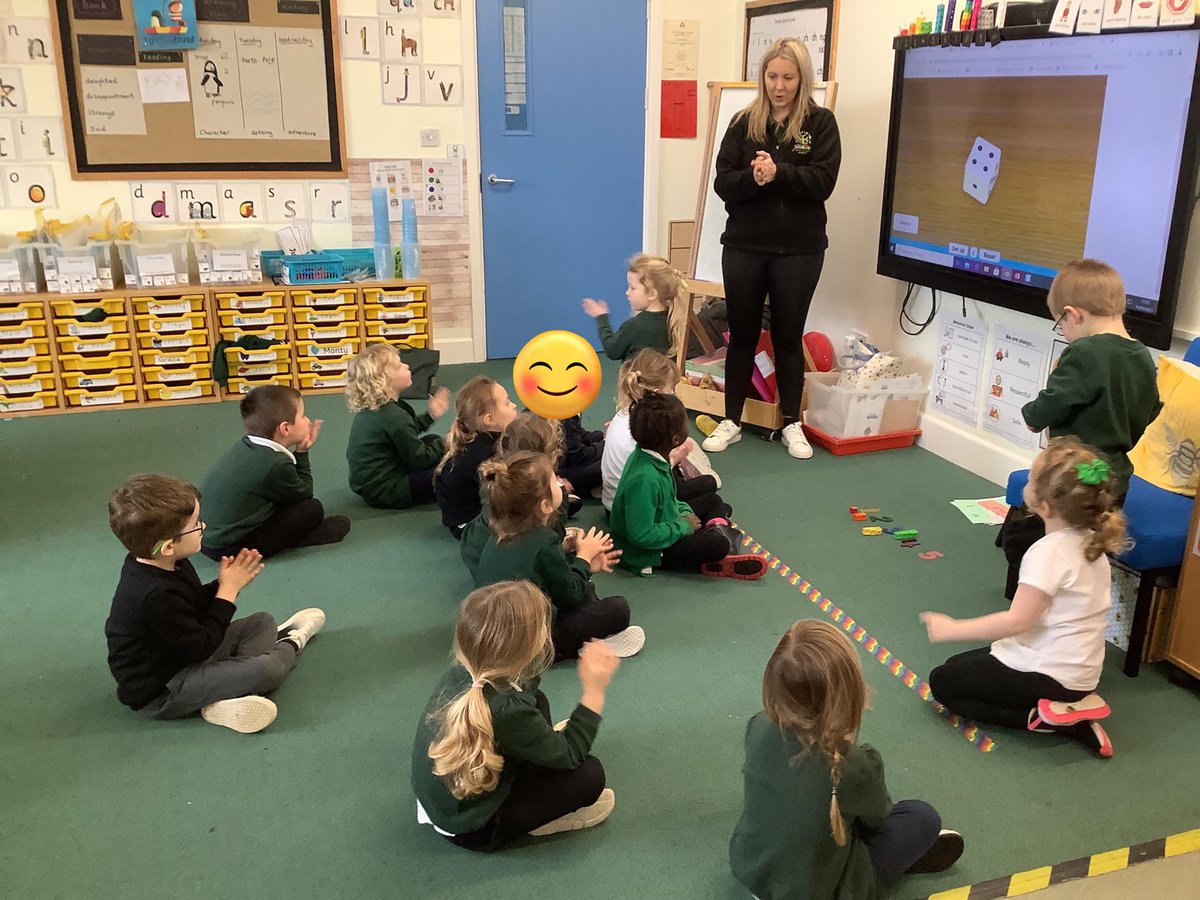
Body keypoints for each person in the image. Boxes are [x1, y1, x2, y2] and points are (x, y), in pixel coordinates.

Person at [923, 437, 1128, 758]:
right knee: (959, 665)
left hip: (1050, 676)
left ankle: (1054, 721)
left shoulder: (1047, 554)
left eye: (1032, 480)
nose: (1027, 483)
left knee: (942, 682)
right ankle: (1070, 705)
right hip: (1081, 674)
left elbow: (1016, 621)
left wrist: (952, 629)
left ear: (1044, 505)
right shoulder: (1093, 545)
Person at [730, 619, 963, 899]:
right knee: (921, 817)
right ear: (851, 692)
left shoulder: (758, 726)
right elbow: (878, 818)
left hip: (751, 871)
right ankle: (890, 866)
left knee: (829, 819)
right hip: (821, 891)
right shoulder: (854, 764)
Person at [702, 37, 841, 461]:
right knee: (741, 334)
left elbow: (823, 182)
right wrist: (753, 177)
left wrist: (779, 173)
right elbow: (723, 182)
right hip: (744, 245)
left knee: (787, 336)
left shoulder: (820, 123)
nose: (779, 86)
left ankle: (791, 425)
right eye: (772, 76)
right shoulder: (744, 122)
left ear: (802, 79)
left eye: (788, 77)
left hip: (799, 250)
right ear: (762, 77)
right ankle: (732, 420)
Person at [105, 474, 326, 734]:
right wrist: (228, 592)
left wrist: (223, 582)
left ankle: (225, 696)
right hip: (164, 690)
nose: (203, 526)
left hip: (184, 657)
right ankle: (289, 644)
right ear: (167, 547)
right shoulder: (153, 594)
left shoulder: (168, 562)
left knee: (261, 622)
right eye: (195, 525)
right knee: (269, 668)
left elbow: (192, 606)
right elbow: (200, 647)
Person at [411, 581, 619, 850]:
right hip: (473, 826)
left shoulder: (466, 670)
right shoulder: (508, 709)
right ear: (526, 648)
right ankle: (536, 821)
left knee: (538, 701)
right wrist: (594, 691)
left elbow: (525, 691)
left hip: (445, 799)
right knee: (589, 775)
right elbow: (569, 756)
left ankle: (536, 757)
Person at [996, 259, 1161, 598]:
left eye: (1060, 323)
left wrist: (1031, 414)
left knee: (1027, 544)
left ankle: (1031, 603)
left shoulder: (1084, 352)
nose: (1064, 331)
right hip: (1113, 477)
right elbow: (1151, 409)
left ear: (1074, 314)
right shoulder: (1143, 355)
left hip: (1068, 476)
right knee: (1088, 548)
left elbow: (1051, 404)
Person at [460, 451, 643, 659]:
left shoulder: (499, 527)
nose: (560, 482)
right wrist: (583, 558)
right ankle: (572, 648)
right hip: (527, 642)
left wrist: (581, 564)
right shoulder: (544, 541)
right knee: (618, 609)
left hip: (494, 632)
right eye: (554, 480)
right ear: (545, 505)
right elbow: (570, 595)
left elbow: (532, 567)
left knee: (585, 588)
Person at [609, 392, 767, 580]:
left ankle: (717, 532)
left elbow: (669, 500)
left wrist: (682, 512)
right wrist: (683, 526)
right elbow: (641, 535)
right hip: (646, 553)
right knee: (717, 544)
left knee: (713, 501)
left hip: (665, 523)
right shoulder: (645, 478)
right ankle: (720, 546)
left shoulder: (652, 456)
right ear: (676, 440)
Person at [201, 384, 350, 559]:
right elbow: (305, 494)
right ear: (285, 428)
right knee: (312, 509)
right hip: (229, 549)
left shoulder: (247, 445)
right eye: (303, 416)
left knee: (282, 497)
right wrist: (302, 453)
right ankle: (297, 538)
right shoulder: (275, 463)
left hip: (206, 538)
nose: (308, 420)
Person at [600, 348, 720, 512]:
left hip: (614, 502)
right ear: (657, 393)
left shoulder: (626, 412)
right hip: (634, 506)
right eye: (672, 388)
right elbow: (651, 475)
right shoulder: (645, 426)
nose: (673, 392)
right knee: (709, 486)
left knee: (703, 491)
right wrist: (677, 457)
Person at [345, 343, 451, 509]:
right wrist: (450, 440)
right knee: (447, 470)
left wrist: (430, 416)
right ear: (385, 379)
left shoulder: (380, 407)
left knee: (432, 440)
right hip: (386, 490)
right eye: (399, 365)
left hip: (373, 483)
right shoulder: (393, 416)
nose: (407, 366)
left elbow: (404, 433)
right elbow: (421, 458)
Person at [435, 375, 519, 538]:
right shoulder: (485, 453)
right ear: (489, 419)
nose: (514, 405)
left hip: (461, 517)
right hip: (468, 526)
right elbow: (507, 491)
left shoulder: (479, 439)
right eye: (508, 403)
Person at [581, 253, 689, 361]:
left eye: (632, 288)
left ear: (652, 294)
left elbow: (612, 350)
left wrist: (602, 318)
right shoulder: (675, 321)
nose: (627, 292)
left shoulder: (634, 327)